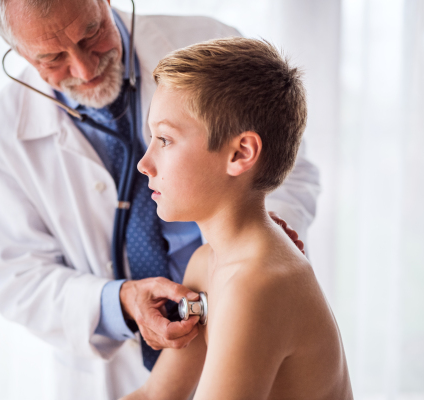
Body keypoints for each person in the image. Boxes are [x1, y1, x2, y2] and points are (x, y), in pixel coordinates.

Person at [0, 0, 320, 398]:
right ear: (17, 50)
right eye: (52, 58)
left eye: (91, 34)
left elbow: (288, 164)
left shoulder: (252, 285)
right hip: (113, 371)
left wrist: (260, 241)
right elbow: (17, 275)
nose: (84, 69)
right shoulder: (206, 264)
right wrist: (119, 302)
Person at [123, 37, 352, 399]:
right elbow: (155, 396)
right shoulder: (207, 263)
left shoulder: (259, 284)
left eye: (164, 140)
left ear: (240, 153)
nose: (144, 163)